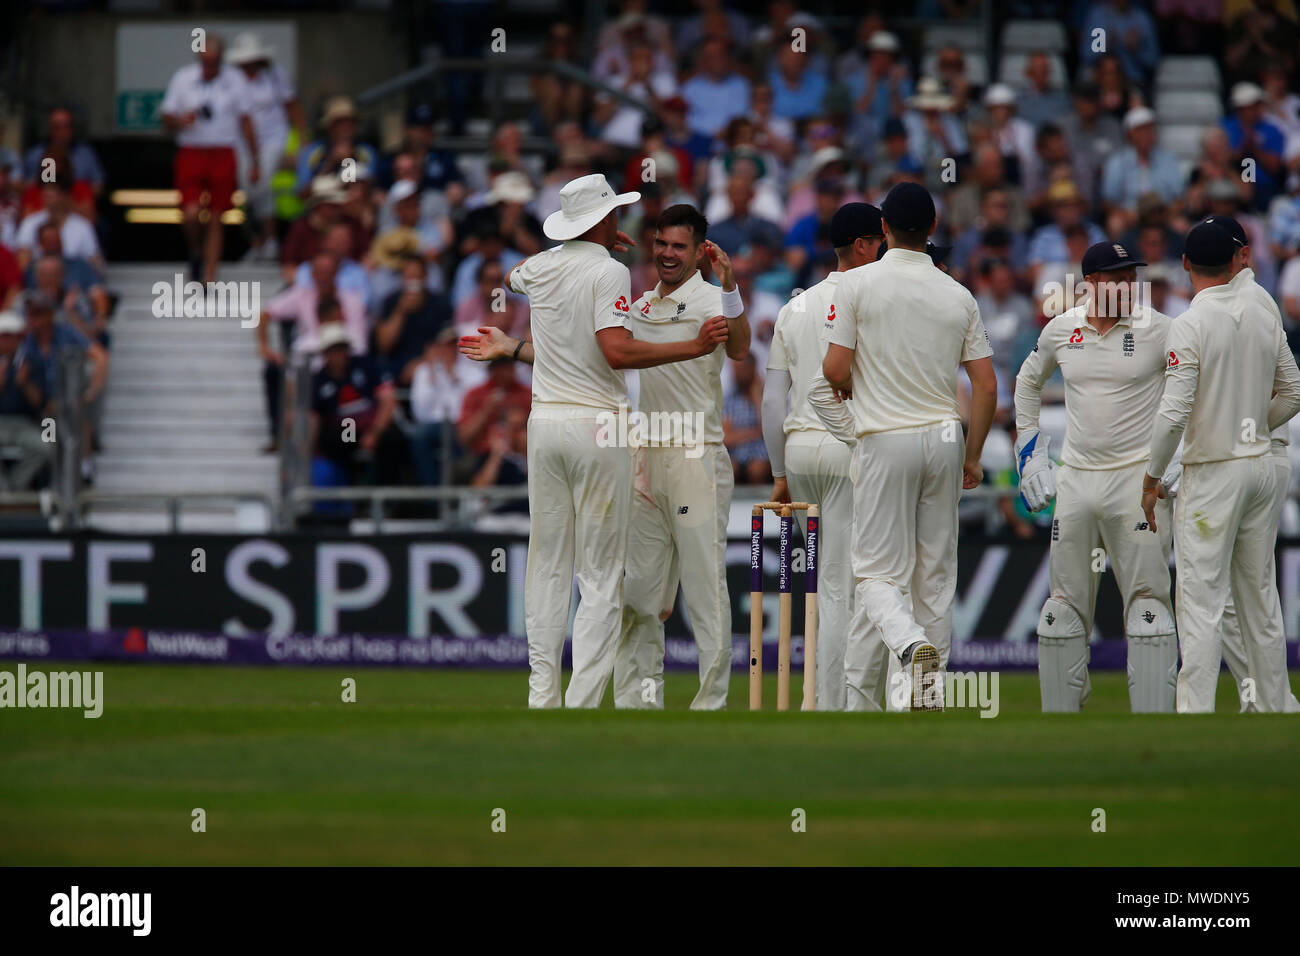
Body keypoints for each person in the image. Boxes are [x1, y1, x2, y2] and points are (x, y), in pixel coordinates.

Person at [456, 174, 729, 709]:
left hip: (545, 425)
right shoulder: (610, 271)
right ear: (603, 221)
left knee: (549, 564)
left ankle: (542, 698)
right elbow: (615, 353)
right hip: (598, 427)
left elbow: (514, 275)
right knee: (602, 574)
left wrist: (513, 346)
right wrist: (693, 346)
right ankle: (580, 702)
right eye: (615, 216)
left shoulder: (540, 267)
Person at [819, 182, 996, 710]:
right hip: (944, 438)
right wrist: (973, 455)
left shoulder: (857, 285)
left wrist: (859, 383)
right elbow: (986, 385)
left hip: (883, 438)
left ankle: (909, 645)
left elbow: (832, 369)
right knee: (935, 575)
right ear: (934, 230)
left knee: (877, 572)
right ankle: (924, 694)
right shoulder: (957, 292)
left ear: (884, 231)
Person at [1142, 221, 1300, 713]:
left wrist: (1151, 477)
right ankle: (1276, 708)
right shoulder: (1263, 305)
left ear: (1186, 265)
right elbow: (1293, 391)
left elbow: (1172, 415)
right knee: (1259, 598)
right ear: (1240, 259)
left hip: (1214, 475)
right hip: (1263, 469)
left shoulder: (1189, 324)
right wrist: (1248, 422)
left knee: (1201, 603)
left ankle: (1195, 717)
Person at [1013, 241, 1177, 712]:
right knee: (1061, 611)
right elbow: (1027, 382)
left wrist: (1179, 454)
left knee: (1148, 611)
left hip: (1136, 482)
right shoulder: (1062, 330)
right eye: (1116, 277)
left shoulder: (1160, 329)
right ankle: (1063, 726)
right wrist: (1031, 456)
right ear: (1089, 284)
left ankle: (1155, 732)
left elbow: (1194, 389)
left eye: (1131, 277)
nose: (1128, 285)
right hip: (1077, 482)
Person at [612, 204, 751, 711]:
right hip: (647, 456)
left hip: (696, 455)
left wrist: (731, 285)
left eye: (680, 247)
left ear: (698, 253)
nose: (669, 254)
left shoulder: (711, 298)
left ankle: (710, 702)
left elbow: (738, 349)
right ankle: (637, 701)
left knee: (704, 587)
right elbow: (603, 348)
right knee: (639, 594)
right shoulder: (641, 304)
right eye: (662, 244)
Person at [763, 202, 884, 711]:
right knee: (841, 587)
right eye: (880, 240)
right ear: (861, 244)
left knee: (817, 583)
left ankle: (818, 696)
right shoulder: (874, 297)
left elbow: (773, 400)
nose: (886, 248)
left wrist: (779, 473)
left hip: (799, 450)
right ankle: (832, 702)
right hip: (846, 446)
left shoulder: (795, 307)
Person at [160, 35, 259, 282]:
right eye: (205, 62)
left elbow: (246, 121)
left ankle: (210, 274)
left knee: (217, 215)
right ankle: (196, 251)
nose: (210, 68)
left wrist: (254, 160)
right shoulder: (183, 78)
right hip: (192, 151)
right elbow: (166, 117)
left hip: (223, 151)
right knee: (191, 212)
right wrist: (182, 121)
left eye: (214, 62)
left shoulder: (235, 80)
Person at [226, 32, 303, 262]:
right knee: (247, 194)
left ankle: (268, 241)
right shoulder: (230, 79)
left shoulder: (276, 75)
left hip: (273, 139)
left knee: (262, 185)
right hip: (240, 142)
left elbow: (292, 105)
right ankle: (260, 242)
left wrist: (302, 139)